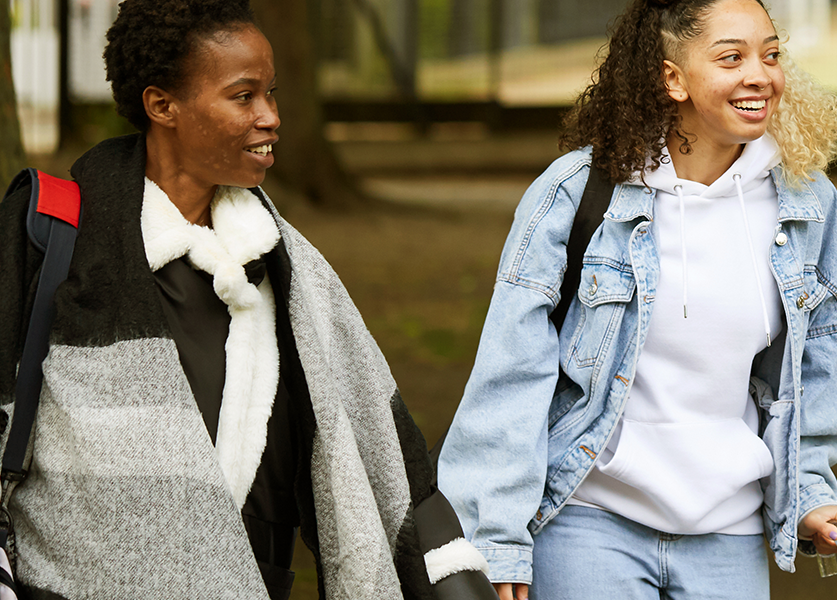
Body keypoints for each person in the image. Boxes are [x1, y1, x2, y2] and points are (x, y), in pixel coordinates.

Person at [0, 1, 491, 598]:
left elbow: (387, 456)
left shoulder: (290, 270)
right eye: (243, 96)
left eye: (271, 93)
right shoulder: (53, 235)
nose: (271, 117)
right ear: (162, 106)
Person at [435, 0, 837, 598]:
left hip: (728, 533)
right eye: (731, 58)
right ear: (672, 78)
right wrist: (497, 536)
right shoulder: (576, 191)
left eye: (770, 56)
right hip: (589, 521)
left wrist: (810, 490)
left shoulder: (808, 202)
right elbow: (513, 371)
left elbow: (818, 361)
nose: (760, 75)